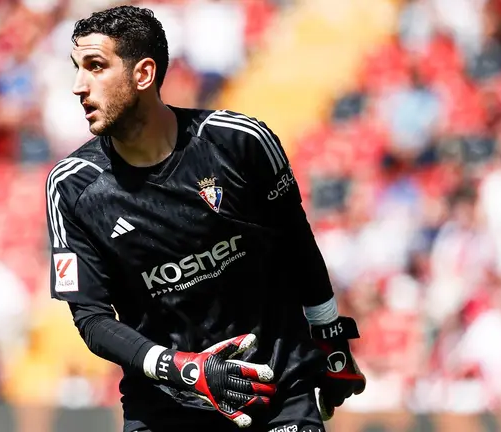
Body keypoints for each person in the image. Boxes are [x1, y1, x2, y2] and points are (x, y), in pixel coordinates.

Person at [44, 5, 366, 432]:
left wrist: (329, 337)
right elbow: (91, 318)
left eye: (95, 67)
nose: (78, 86)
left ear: (143, 75)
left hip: (275, 391)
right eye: (76, 68)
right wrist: (183, 368)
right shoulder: (72, 187)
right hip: (166, 407)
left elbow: (296, 242)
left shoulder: (240, 143)